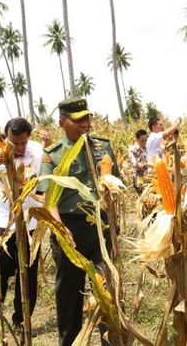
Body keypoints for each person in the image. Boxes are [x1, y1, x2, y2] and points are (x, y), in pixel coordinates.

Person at [37, 97, 121, 346]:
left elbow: (116, 187)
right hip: (69, 229)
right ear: (62, 123)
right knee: (69, 296)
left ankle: (110, 340)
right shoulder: (52, 156)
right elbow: (48, 197)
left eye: (87, 118)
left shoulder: (103, 148)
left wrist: (114, 230)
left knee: (106, 291)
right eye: (78, 120)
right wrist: (60, 229)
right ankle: (70, 342)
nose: (85, 123)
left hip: (101, 227)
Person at [0, 118, 42, 329]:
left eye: (24, 142)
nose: (20, 148)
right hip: (2, 221)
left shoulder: (38, 154)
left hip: (29, 222)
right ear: (6, 138)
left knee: (28, 273)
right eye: (15, 143)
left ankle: (21, 319)